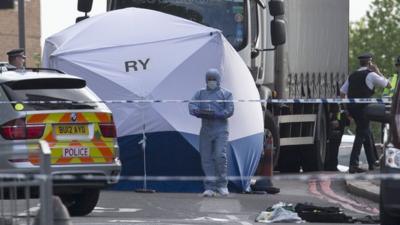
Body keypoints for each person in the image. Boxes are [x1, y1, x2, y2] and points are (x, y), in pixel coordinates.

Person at [340, 53, 391, 173]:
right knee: (361, 133)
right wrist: (378, 71)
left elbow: (342, 92)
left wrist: (346, 109)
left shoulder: (352, 75)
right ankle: (353, 164)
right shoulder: (371, 75)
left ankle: (372, 162)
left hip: (352, 108)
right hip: (364, 109)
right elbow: (388, 85)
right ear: (370, 63)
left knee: (366, 132)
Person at [188, 68, 234, 197]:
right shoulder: (200, 93)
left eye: (213, 79)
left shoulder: (226, 94)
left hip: (221, 129)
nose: (211, 82)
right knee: (206, 158)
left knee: (220, 156)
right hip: (206, 129)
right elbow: (191, 104)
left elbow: (230, 109)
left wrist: (219, 114)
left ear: (218, 80)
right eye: (209, 79)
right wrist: (196, 111)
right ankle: (210, 187)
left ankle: (222, 185)